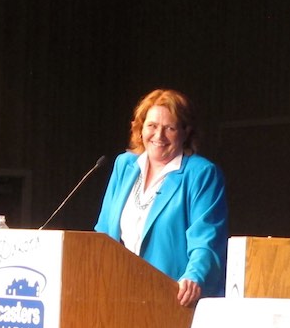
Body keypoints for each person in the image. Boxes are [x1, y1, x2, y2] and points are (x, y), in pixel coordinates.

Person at [95, 88, 228, 306]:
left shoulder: (201, 174)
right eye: (152, 126)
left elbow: (206, 242)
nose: (159, 136)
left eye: (170, 128)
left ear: (186, 132)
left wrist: (193, 277)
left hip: (171, 300)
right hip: (117, 295)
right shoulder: (125, 165)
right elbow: (103, 232)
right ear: (140, 128)